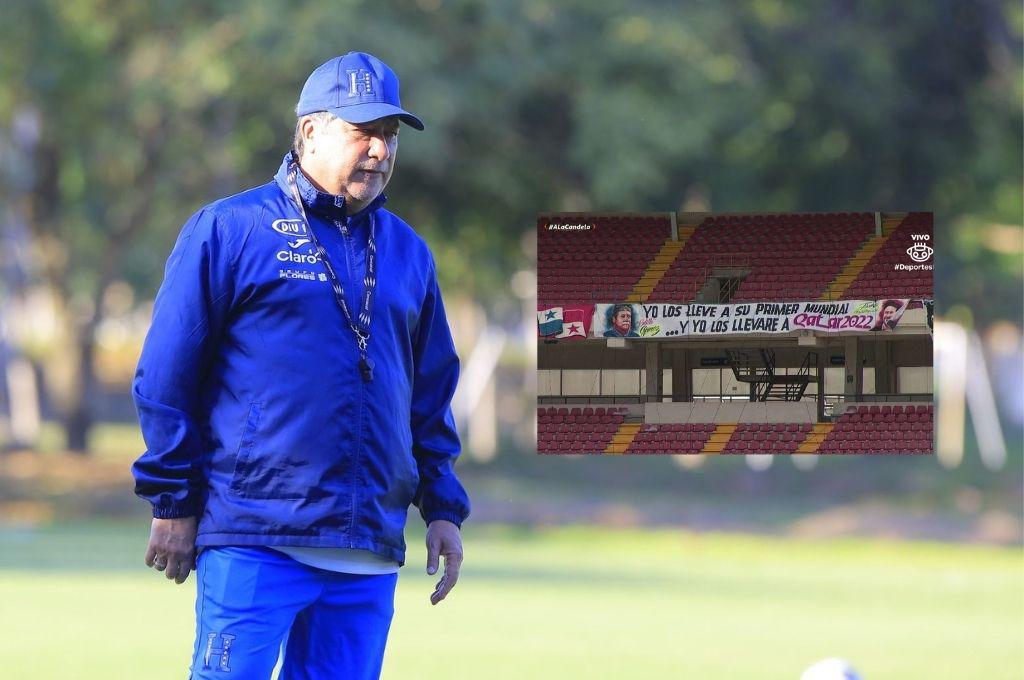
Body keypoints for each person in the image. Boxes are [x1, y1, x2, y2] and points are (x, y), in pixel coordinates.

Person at [131, 51, 470, 680]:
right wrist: (171, 500)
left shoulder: (408, 252)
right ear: (310, 131)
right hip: (256, 535)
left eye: (389, 135)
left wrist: (443, 506)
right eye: (361, 130)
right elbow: (166, 376)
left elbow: (430, 393)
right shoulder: (229, 229)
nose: (379, 150)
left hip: (367, 546)